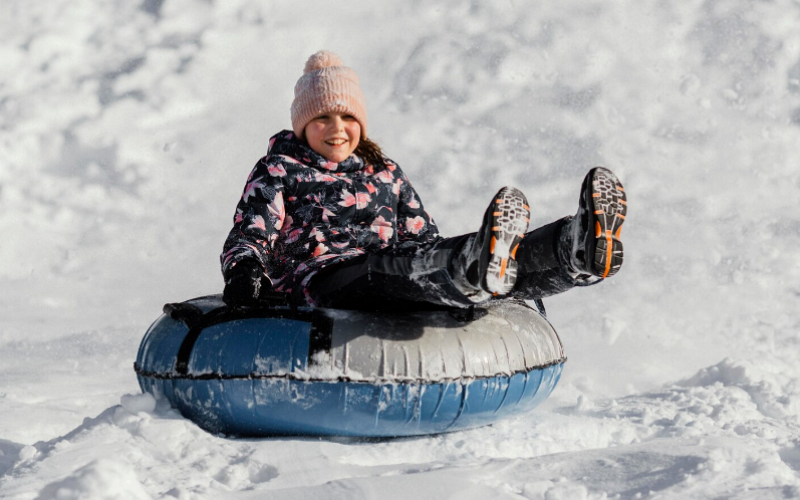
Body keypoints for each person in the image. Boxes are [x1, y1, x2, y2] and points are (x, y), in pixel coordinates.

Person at [220, 51, 626, 311]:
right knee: (394, 268)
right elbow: (250, 234)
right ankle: (471, 269)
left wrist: (441, 251)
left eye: (348, 118)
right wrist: (244, 272)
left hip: (393, 268)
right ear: (303, 125)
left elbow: (422, 236)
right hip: (322, 278)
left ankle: (570, 251)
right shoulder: (280, 170)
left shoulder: (386, 172)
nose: (337, 129)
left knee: (446, 254)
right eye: (322, 118)